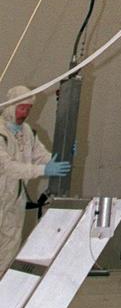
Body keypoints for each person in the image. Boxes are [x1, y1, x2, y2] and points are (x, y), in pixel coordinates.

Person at [0, 86, 71, 276]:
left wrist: (63, 156)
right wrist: (42, 170)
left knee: (9, 247)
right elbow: (7, 167)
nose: (25, 113)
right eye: (21, 108)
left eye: (28, 109)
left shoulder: (27, 132)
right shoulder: (1, 132)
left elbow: (42, 156)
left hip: (14, 201)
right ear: (10, 106)